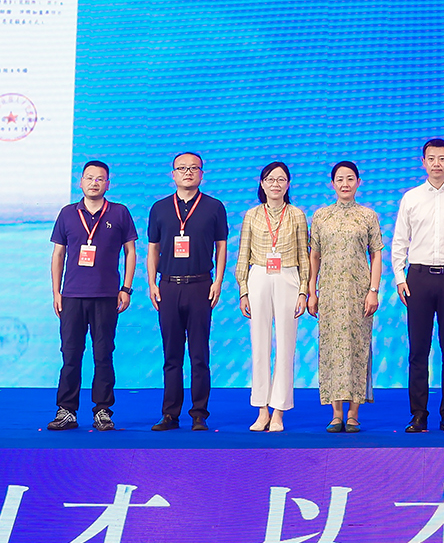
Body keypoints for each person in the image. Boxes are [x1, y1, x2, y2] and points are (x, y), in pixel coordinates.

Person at [390, 137, 444, 434]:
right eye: (431, 158)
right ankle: (418, 415)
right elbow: (400, 242)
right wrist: (400, 278)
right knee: (418, 350)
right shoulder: (411, 198)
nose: (437, 164)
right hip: (418, 278)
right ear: (423, 162)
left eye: (442, 159)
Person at [47, 159, 137, 432]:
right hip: (72, 296)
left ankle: (103, 411)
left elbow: (130, 252)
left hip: (106, 296)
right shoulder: (67, 213)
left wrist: (126, 288)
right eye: (89, 178)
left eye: (100, 179)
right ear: (81, 182)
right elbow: (58, 254)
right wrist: (56, 292)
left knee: (103, 354)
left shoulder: (119, 212)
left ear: (108, 184)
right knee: (70, 355)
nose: (94, 183)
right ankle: (66, 411)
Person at [145, 152, 228, 432]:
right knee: (171, 355)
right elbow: (153, 248)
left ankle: (199, 414)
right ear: (173, 174)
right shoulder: (159, 208)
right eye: (182, 168)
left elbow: (221, 245)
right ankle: (170, 414)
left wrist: (218, 281)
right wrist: (151, 282)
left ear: (202, 173)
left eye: (194, 168)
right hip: (168, 286)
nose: (188, 172)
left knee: (199, 354)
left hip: (200, 285)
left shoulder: (214, 207)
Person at [310, 159, 384, 434]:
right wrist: (312, 291)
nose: (345, 184)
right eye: (340, 179)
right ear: (332, 184)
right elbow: (314, 256)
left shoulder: (367, 216)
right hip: (329, 293)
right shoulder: (321, 216)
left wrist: (373, 290)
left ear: (358, 182)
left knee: (357, 348)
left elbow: (376, 254)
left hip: (358, 293)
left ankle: (353, 413)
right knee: (332, 349)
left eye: (350, 178)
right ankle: (336, 413)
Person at [236, 161, 308, 432]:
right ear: (262, 184)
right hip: (258, 276)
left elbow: (304, 256)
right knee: (259, 345)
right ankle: (262, 409)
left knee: (286, 345)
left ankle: (279, 411)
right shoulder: (252, 215)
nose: (275, 184)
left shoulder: (297, 214)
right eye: (270, 179)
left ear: (288, 185)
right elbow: (243, 255)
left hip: (288, 276)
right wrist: (243, 290)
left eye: (281, 179)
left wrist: (304, 290)